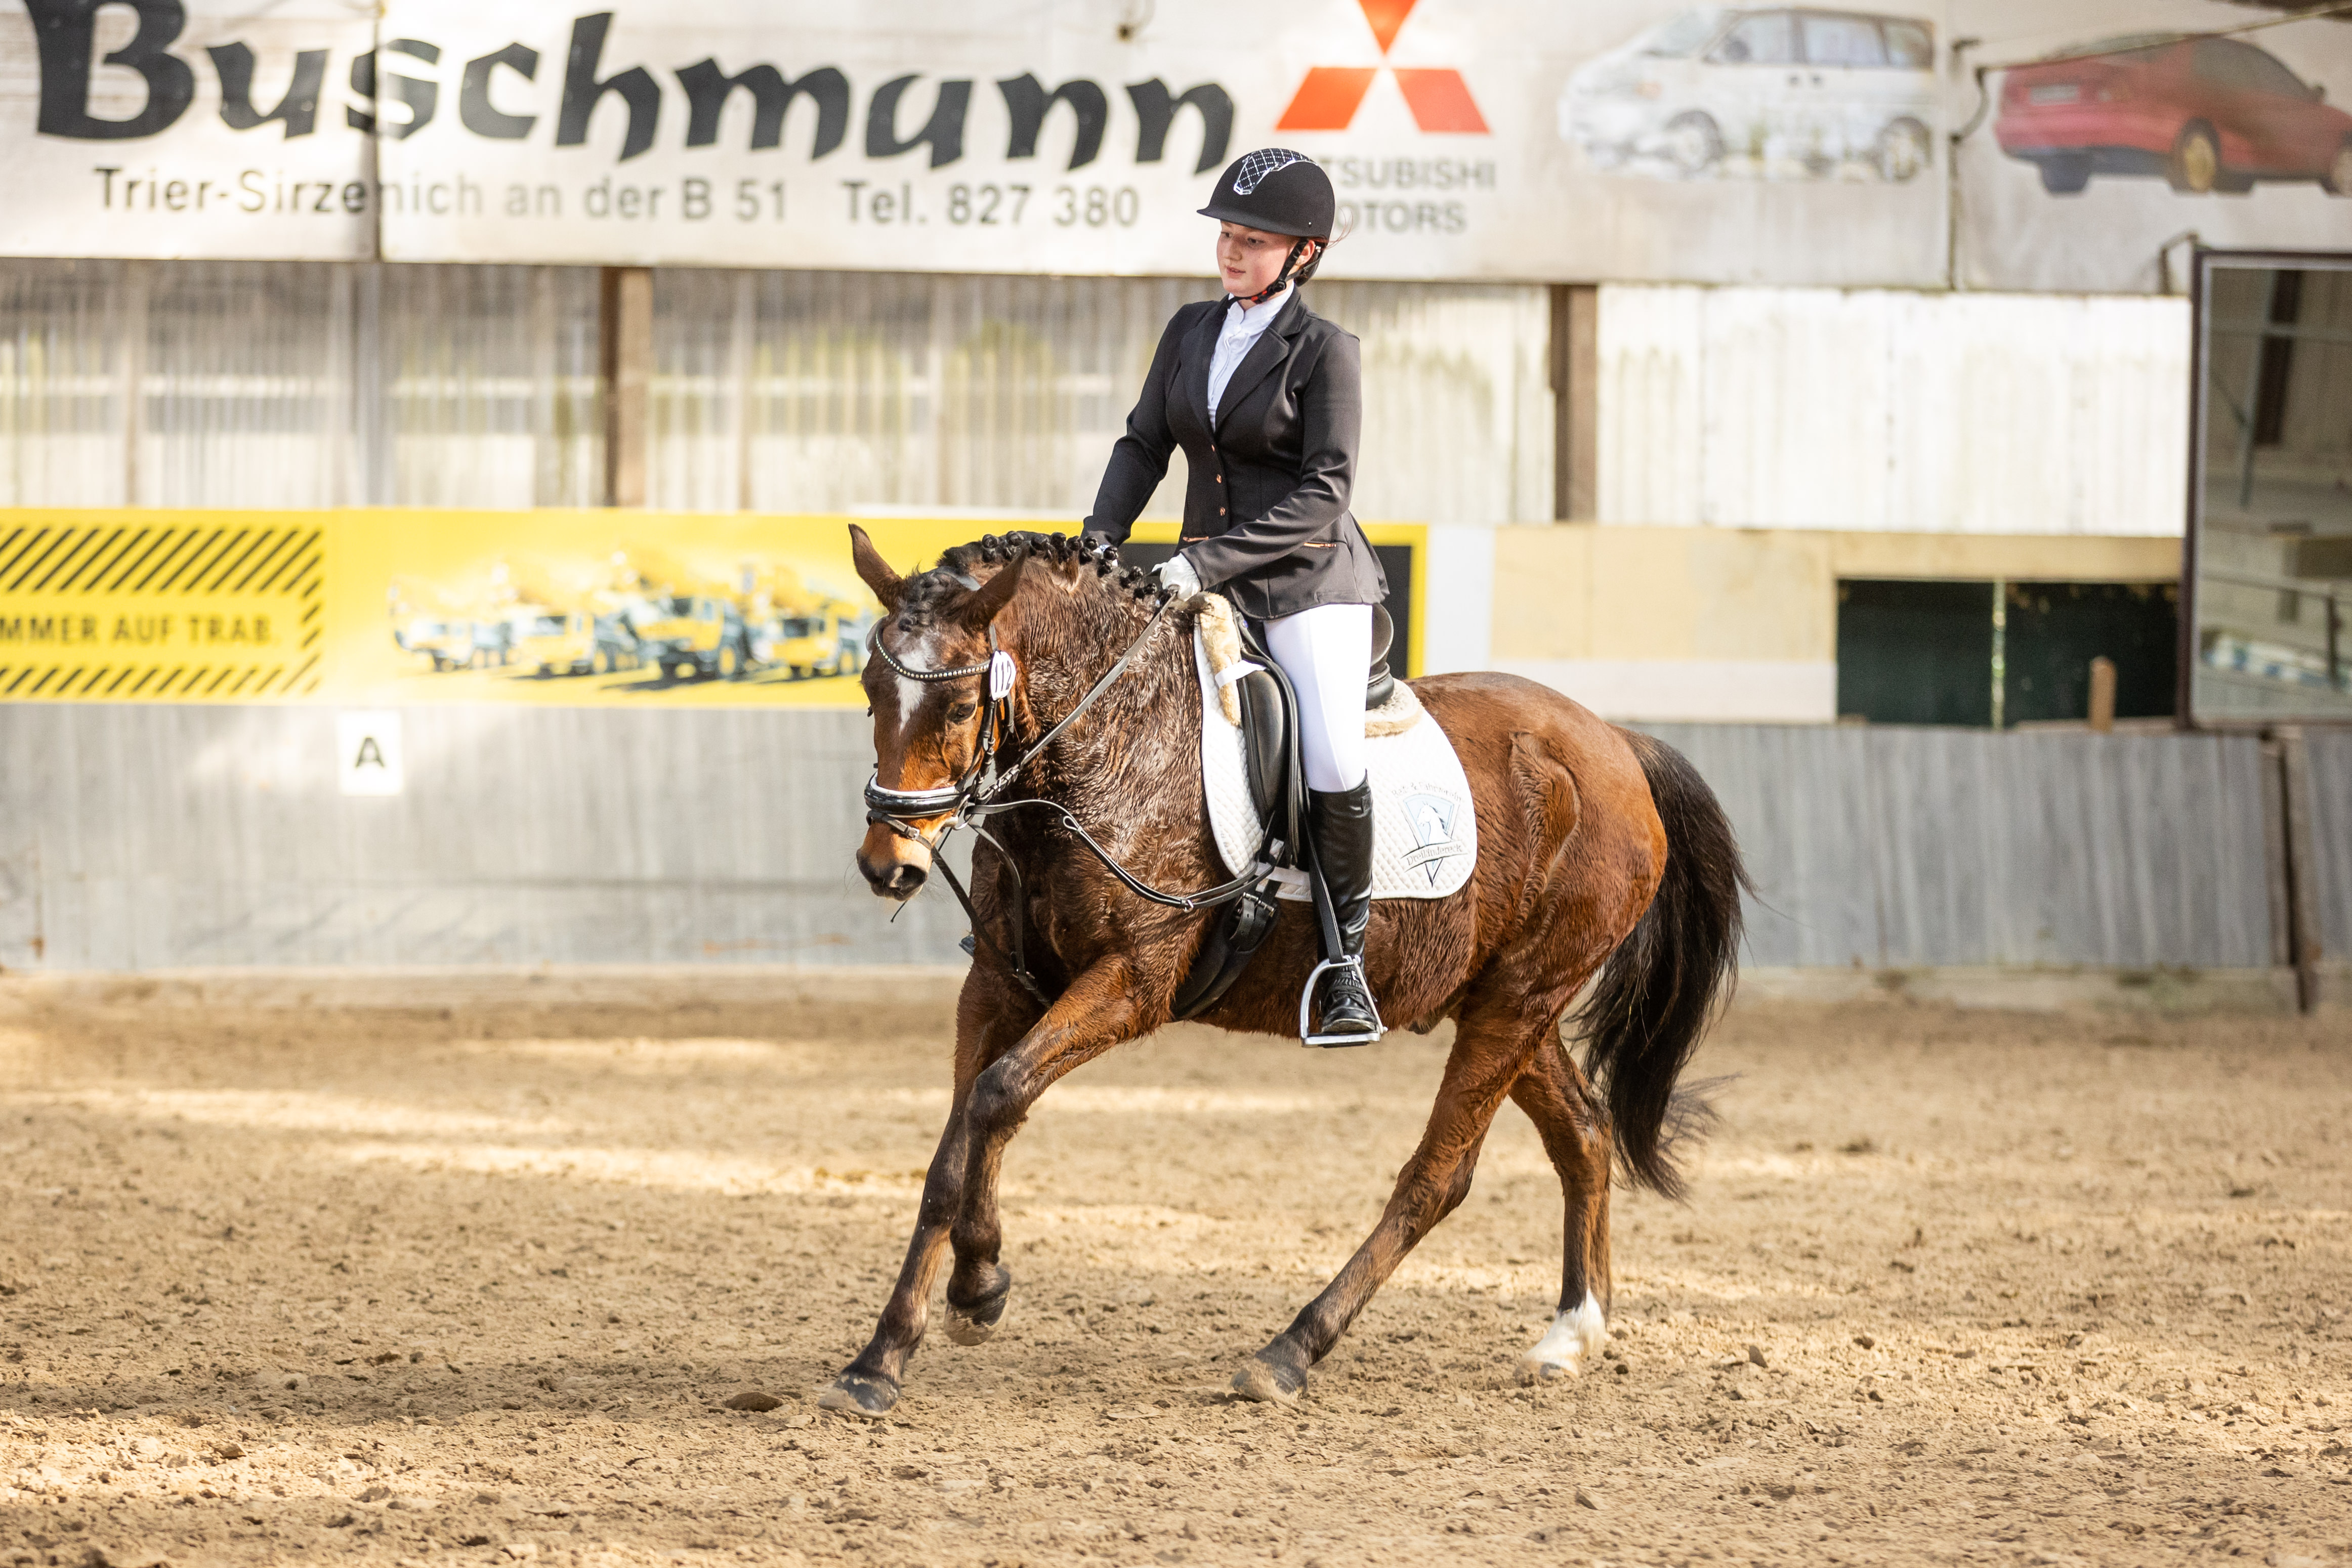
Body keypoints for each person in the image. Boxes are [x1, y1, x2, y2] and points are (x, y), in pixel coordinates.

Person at [1082, 148, 1387, 1047]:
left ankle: (1345, 965)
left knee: (1330, 749)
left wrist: (1207, 563)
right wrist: (1101, 537)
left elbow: (1326, 490)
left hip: (1306, 584)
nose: (1232, 252)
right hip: (1196, 576)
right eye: (1227, 235)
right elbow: (1144, 444)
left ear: (1303, 254)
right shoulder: (1189, 331)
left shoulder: (1327, 352)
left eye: (1254, 242)